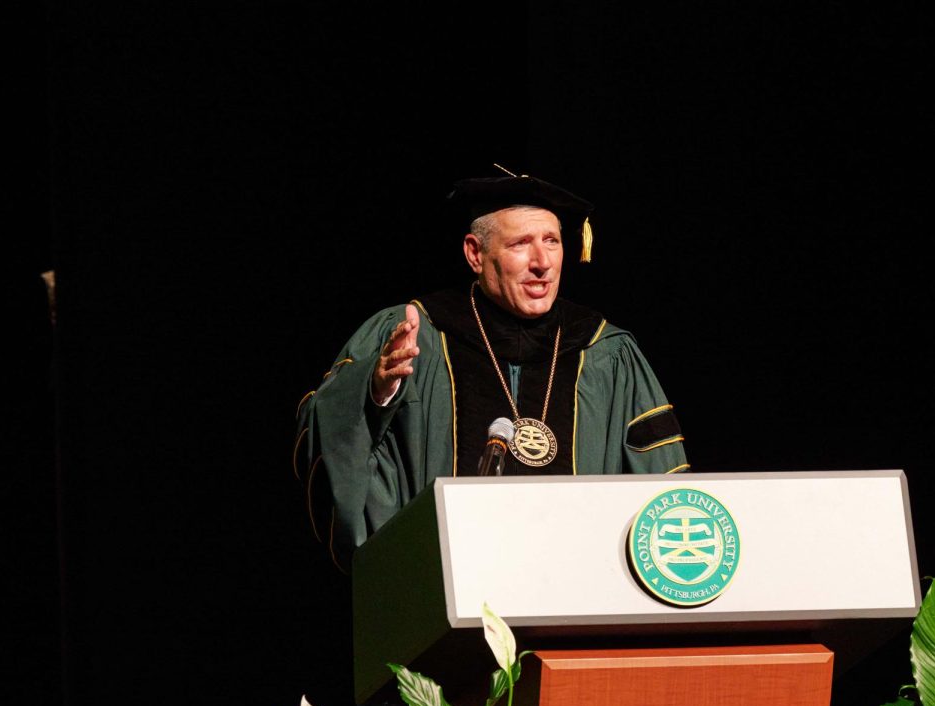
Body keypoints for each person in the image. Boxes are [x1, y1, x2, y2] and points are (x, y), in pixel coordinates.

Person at [294, 171, 689, 572]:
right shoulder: (417, 331)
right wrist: (374, 394)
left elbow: (664, 493)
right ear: (475, 254)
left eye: (552, 241)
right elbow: (328, 433)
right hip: (443, 585)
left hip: (577, 591)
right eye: (521, 244)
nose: (542, 263)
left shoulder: (606, 350)